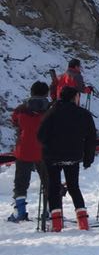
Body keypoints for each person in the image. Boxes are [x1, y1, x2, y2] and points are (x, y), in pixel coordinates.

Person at [36, 86, 97, 231]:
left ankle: (56, 223)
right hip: (73, 156)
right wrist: (88, 158)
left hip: (52, 156)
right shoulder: (83, 114)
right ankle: (83, 221)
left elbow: (40, 135)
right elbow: (91, 138)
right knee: (74, 187)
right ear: (75, 97)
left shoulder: (51, 113)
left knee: (53, 187)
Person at [7, 81, 50, 223]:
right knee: (48, 180)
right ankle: (49, 210)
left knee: (21, 182)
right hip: (44, 149)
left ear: (31, 92)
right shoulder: (50, 108)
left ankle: (19, 211)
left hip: (24, 149)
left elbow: (14, 122)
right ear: (46, 93)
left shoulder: (21, 108)